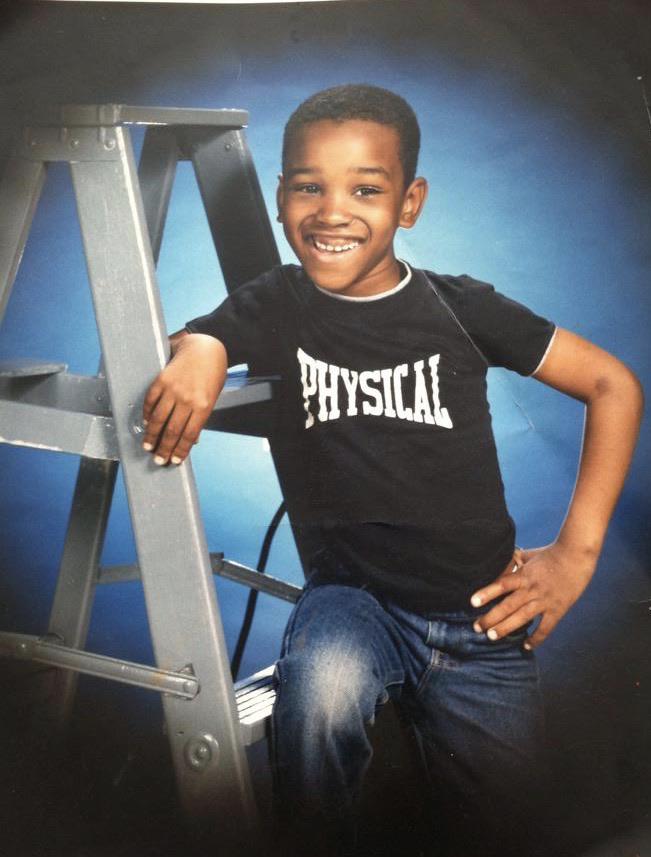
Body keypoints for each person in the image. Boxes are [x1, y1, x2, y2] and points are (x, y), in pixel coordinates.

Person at [140, 85, 643, 856]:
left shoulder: (459, 307)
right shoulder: (276, 303)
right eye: (308, 185)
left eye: (364, 189)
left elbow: (612, 384)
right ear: (279, 198)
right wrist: (203, 349)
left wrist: (575, 553)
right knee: (316, 702)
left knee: (504, 823)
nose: (331, 210)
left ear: (409, 203)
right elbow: (205, 333)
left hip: (478, 620)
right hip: (354, 602)